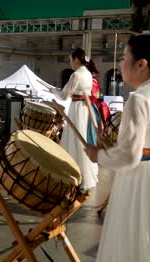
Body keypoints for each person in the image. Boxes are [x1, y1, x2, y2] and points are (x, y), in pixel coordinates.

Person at [84, 35, 150, 262]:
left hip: (142, 180)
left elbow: (130, 156)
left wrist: (98, 155)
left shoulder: (139, 99)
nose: (121, 64)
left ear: (141, 64)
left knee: (135, 242)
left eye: (124, 58)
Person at [54, 48, 98, 190]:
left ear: (76, 60)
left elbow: (64, 95)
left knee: (74, 141)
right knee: (83, 141)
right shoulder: (88, 75)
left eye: (70, 59)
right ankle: (85, 176)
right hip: (86, 108)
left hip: (77, 109)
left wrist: (53, 90)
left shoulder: (76, 75)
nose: (70, 63)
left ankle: (73, 175)